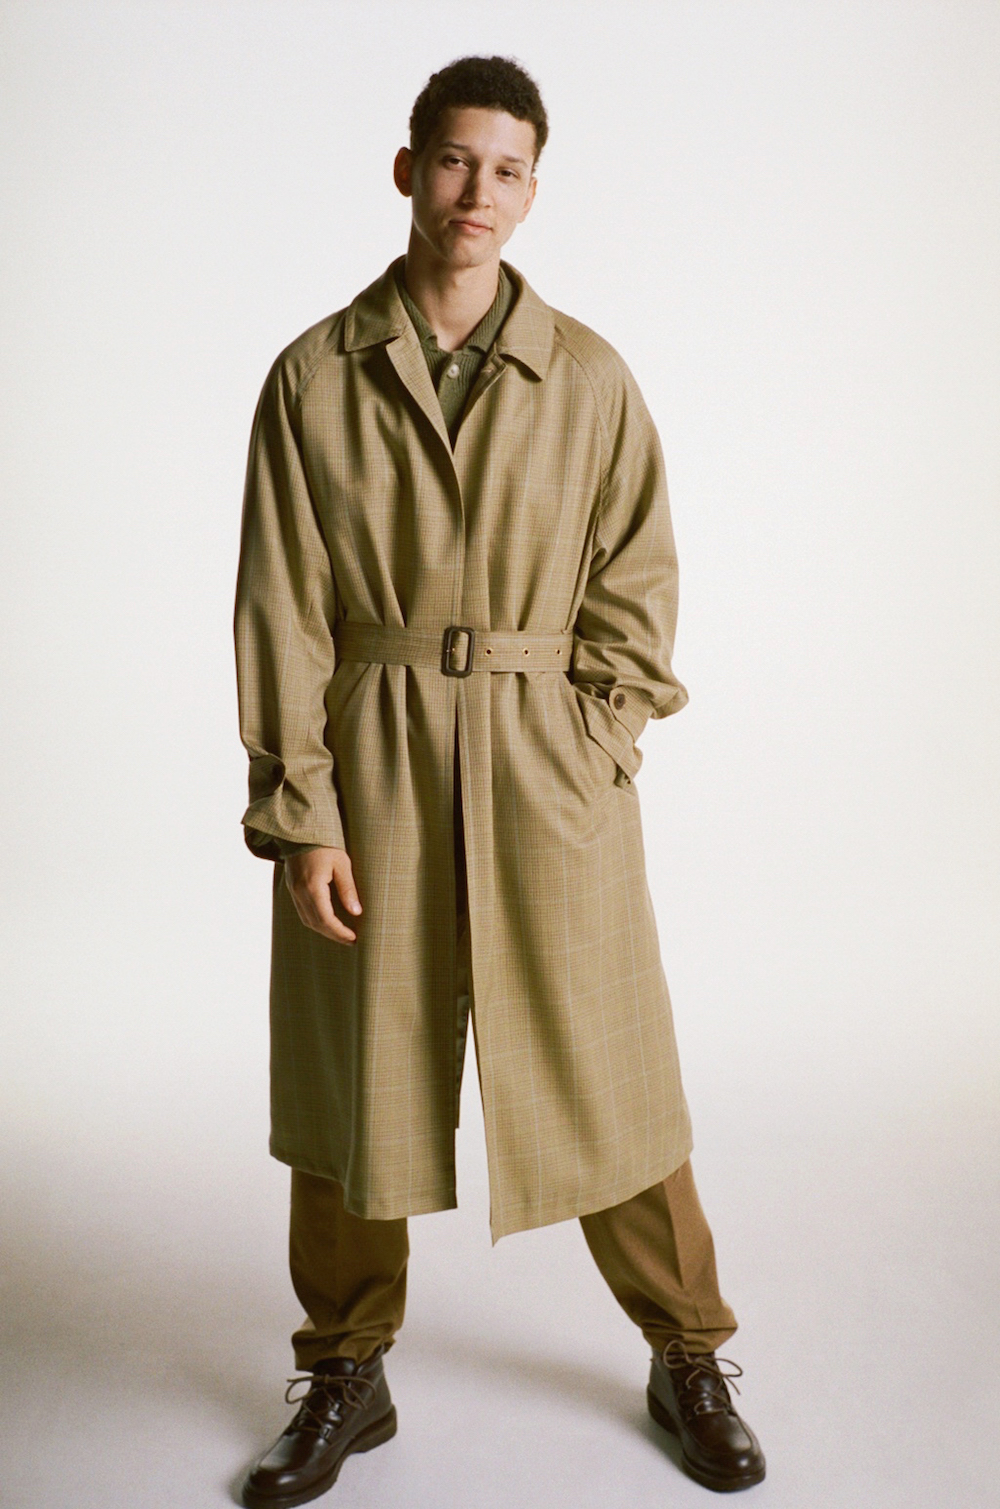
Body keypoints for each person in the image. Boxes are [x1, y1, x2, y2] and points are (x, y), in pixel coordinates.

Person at [233, 54, 765, 1506]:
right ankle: (345, 1367)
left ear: (534, 190)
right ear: (410, 169)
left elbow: (638, 586)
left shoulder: (588, 375)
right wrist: (302, 813)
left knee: (607, 1071)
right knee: (355, 1083)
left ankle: (689, 1349)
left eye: (509, 168)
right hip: (375, 763)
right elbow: (281, 605)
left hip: (549, 769)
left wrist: (596, 743)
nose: (480, 191)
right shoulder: (315, 376)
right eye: (458, 160)